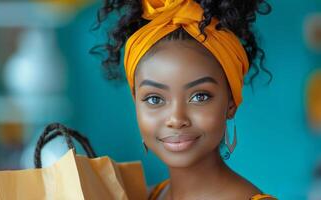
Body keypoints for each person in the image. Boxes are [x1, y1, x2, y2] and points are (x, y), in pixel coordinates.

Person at [92, 0, 277, 199]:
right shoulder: (143, 196)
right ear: (136, 101)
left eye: (200, 96)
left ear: (231, 102)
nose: (176, 119)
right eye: (154, 99)